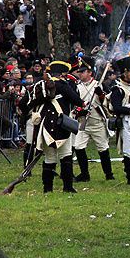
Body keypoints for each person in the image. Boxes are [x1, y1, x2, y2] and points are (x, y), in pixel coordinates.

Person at [24, 61, 85, 193]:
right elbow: (78, 101)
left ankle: (47, 189)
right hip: (61, 125)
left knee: (49, 158)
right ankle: (68, 187)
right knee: (66, 155)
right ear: (63, 73)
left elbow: (25, 104)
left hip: (45, 126)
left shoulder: (40, 85)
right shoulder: (63, 85)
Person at [72, 65, 114, 181]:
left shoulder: (98, 84)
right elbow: (74, 102)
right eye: (79, 72)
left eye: (82, 72)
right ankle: (84, 174)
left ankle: (109, 174)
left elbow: (107, 102)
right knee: (78, 147)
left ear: (90, 72)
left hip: (97, 122)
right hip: (83, 122)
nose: (80, 74)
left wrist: (100, 94)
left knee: (103, 148)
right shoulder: (77, 86)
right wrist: (79, 110)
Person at [109, 55, 130, 184]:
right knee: (129, 152)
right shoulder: (118, 89)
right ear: (125, 72)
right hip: (127, 123)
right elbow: (117, 108)